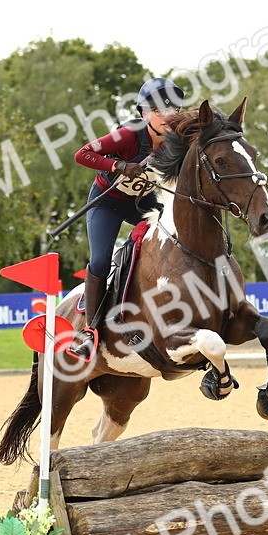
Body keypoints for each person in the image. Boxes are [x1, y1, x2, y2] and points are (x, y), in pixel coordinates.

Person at [66, 77, 185, 361]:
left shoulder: (177, 140)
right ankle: (89, 332)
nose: (168, 117)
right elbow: (81, 154)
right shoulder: (128, 134)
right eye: (160, 110)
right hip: (106, 203)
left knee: (173, 239)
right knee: (100, 259)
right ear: (144, 114)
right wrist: (117, 164)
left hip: (141, 203)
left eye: (174, 110)